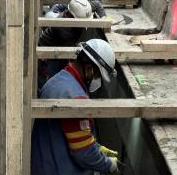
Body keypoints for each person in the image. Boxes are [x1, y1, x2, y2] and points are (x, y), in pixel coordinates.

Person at [32, 39, 120, 175]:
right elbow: (84, 154)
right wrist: (108, 164)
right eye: (98, 75)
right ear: (89, 69)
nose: (97, 80)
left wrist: (96, 147)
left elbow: (72, 133)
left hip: (43, 164)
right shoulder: (76, 98)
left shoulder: (56, 80)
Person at [38, 0, 93, 89]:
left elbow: (97, 4)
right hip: (49, 51)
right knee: (52, 78)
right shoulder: (62, 28)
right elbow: (71, 54)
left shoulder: (83, 9)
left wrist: (103, 17)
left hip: (61, 45)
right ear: (71, 16)